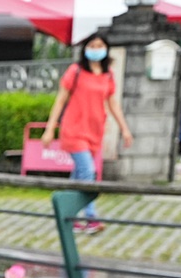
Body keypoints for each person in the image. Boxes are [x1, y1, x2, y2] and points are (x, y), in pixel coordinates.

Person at [40, 32, 134, 235]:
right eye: (92, 45)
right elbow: (60, 100)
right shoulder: (75, 71)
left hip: (95, 130)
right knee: (87, 171)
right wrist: (50, 128)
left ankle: (68, 215)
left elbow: (113, 103)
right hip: (74, 129)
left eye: (100, 45)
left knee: (78, 176)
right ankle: (91, 217)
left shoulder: (108, 74)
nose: (96, 49)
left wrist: (124, 128)